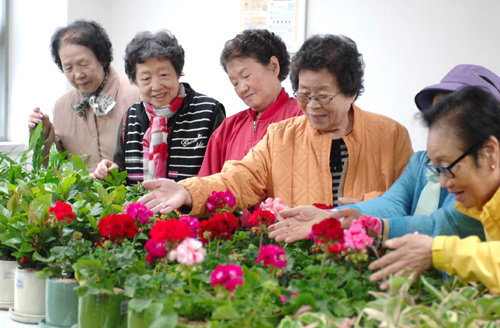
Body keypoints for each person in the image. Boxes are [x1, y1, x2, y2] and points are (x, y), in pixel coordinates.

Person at [137, 34, 413, 217]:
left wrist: (362, 210)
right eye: (304, 94)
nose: (313, 105)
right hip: (298, 259)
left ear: (351, 92)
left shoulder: (390, 135)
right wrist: (187, 191)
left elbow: (409, 202)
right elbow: (239, 178)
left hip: (366, 260)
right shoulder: (281, 136)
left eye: (323, 95)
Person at [269, 64, 500, 243]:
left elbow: (447, 225)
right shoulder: (421, 161)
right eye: (437, 113)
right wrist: (334, 216)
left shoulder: (480, 177)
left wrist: (377, 226)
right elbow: (394, 202)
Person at [369, 86, 500, 292]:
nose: (444, 183)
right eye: (436, 169)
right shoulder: (478, 202)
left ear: (489, 152)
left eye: (447, 167)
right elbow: (440, 226)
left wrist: (439, 253)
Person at [90, 31, 225, 184]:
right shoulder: (131, 117)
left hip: (193, 207)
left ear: (178, 73)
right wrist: (108, 172)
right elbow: (121, 173)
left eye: (164, 75)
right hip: (141, 207)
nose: (156, 86)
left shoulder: (209, 112)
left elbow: (221, 175)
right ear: (136, 81)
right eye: (146, 78)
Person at [28, 20, 140, 171]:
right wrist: (45, 134)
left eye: (84, 64)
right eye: (68, 68)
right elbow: (55, 166)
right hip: (81, 195)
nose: (78, 75)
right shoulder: (62, 106)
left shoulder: (136, 96)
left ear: (103, 59)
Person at [198, 29, 302, 176]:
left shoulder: (302, 117)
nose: (242, 88)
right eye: (234, 83)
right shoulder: (227, 129)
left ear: (274, 66)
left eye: (246, 76)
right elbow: (205, 187)